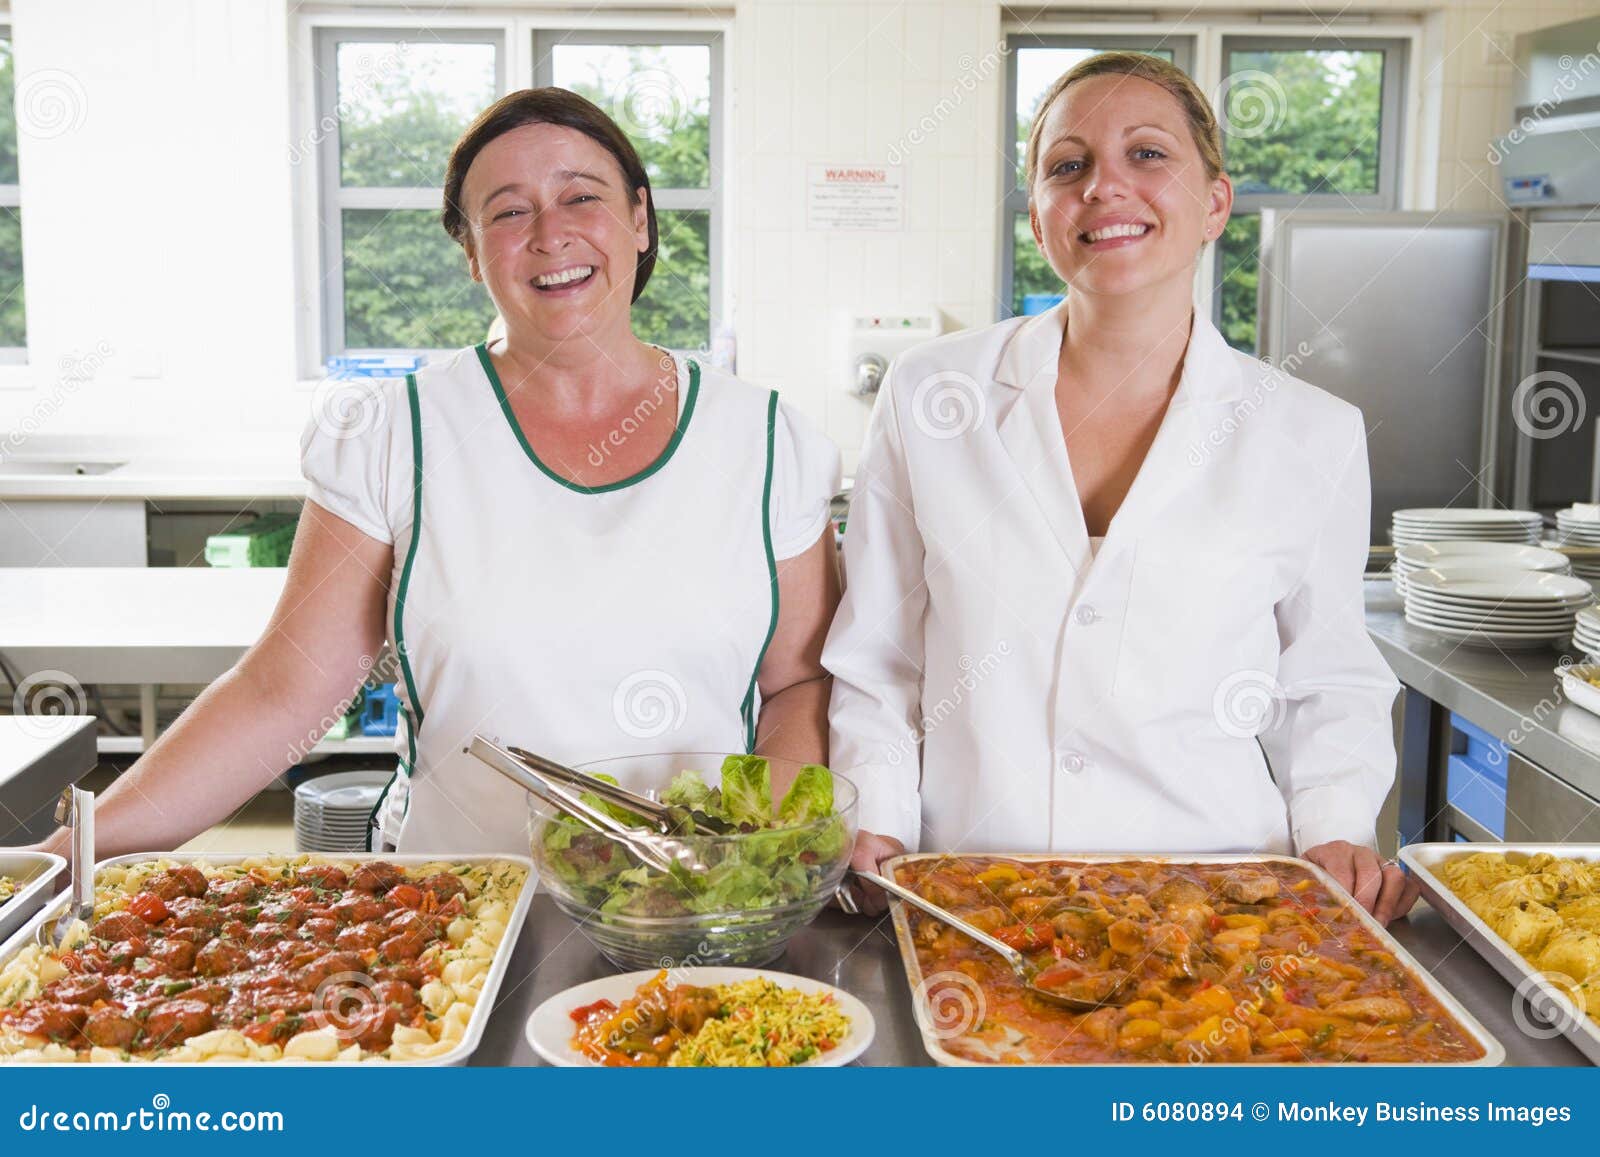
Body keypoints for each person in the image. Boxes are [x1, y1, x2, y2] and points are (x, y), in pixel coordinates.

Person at [34, 88, 840, 858]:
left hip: (702, 914)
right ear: (471, 252)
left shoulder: (766, 439)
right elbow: (279, 696)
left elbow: (799, 687)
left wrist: (744, 861)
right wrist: (80, 846)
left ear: (639, 219)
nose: (550, 234)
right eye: (509, 211)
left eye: (582, 197)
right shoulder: (394, 433)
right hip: (461, 912)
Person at [828, 53, 1417, 924]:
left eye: (1148, 155)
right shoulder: (932, 395)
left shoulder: (1310, 431)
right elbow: (880, 657)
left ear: (1215, 202)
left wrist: (1334, 823)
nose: (1106, 187)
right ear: (1038, 216)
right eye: (1069, 166)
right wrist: (874, 810)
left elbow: (1327, 678)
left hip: (1219, 905)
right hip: (975, 898)